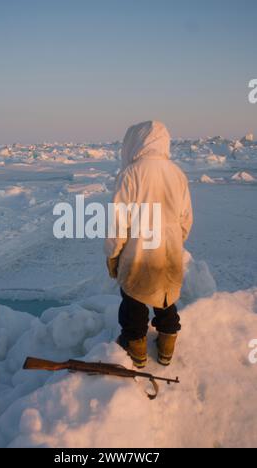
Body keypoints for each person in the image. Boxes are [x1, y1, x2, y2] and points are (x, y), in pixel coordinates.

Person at [104, 121, 193, 368]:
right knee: (165, 295)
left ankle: (136, 347)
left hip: (138, 252)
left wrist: (113, 254)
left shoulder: (130, 174)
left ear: (135, 143)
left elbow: (118, 223)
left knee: (133, 297)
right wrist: (175, 242)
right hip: (169, 252)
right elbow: (185, 219)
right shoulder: (177, 174)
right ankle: (167, 341)